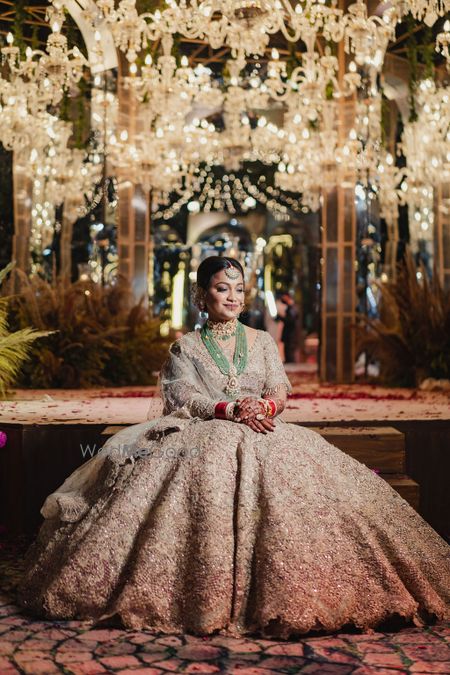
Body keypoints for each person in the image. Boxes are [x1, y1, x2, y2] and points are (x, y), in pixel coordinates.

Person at [18, 256, 449, 639]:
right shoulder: (184, 346)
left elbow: (281, 387)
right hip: (207, 430)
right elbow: (181, 396)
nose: (233, 296)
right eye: (222, 288)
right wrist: (228, 408)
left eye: (239, 289)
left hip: (265, 430)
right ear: (201, 296)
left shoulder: (262, 340)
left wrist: (262, 403)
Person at [278, 292, 298, 363]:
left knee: (289, 347)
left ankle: (290, 361)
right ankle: (288, 360)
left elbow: (291, 320)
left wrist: (282, 318)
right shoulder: (290, 307)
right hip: (288, 331)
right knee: (287, 347)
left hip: (290, 331)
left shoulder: (292, 307)